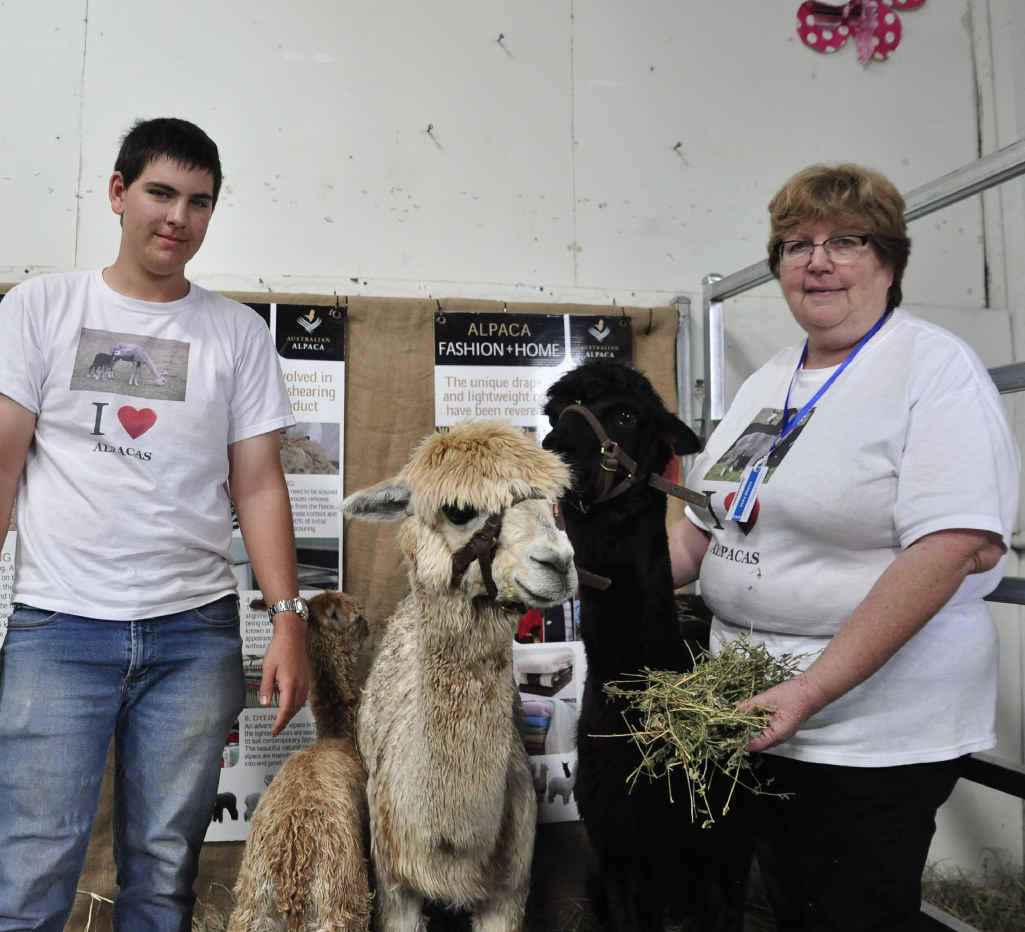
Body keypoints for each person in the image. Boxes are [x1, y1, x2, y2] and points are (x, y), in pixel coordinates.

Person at [669, 163, 1019, 931]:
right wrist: (577, 569)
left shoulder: (933, 371)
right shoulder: (770, 380)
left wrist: (810, 689)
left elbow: (953, 546)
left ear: (887, 262)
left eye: (843, 241)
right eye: (794, 245)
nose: (816, 261)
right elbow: (703, 526)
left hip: (869, 727)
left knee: (850, 910)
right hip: (751, 704)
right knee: (789, 901)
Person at [0, 117, 311, 930]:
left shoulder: (237, 333)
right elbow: (1, 466)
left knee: (165, 872)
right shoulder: (42, 306)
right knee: (30, 868)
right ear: (117, 193)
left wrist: (287, 620)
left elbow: (259, 486)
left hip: (192, 637)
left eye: (199, 202)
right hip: (58, 628)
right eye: (160, 193)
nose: (178, 217)